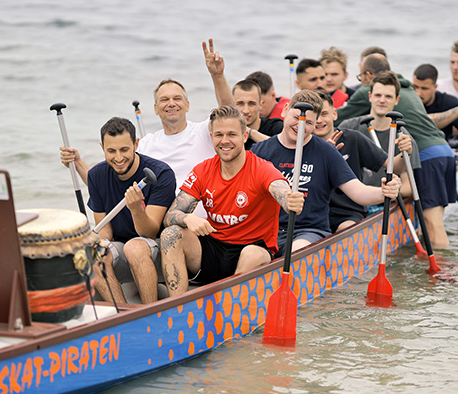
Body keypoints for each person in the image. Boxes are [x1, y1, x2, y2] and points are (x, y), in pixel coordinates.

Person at [60, 38, 233, 218]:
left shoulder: (204, 132)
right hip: (159, 223)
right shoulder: (145, 144)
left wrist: (217, 75)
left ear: (187, 105)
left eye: (177, 98)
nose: (171, 103)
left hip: (201, 221)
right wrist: (77, 162)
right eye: (164, 100)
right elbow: (104, 183)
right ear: (155, 109)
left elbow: (229, 115)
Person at [159, 106, 304, 296]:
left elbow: (281, 190)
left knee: (252, 254)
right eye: (219, 135)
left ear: (244, 136)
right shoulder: (203, 170)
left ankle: (230, 303)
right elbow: (170, 216)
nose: (225, 141)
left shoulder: (262, 169)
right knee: (170, 234)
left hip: (252, 249)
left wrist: (290, 200)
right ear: (211, 137)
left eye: (232, 134)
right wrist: (187, 219)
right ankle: (178, 305)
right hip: (213, 248)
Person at [252, 90, 401, 251]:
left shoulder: (326, 151)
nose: (300, 126)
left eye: (308, 122)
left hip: (308, 231)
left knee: (297, 249)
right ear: (285, 110)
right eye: (296, 118)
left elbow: (358, 192)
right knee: (250, 255)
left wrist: (383, 192)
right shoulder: (259, 151)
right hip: (267, 230)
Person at [335, 60, 456, 249]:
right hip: (351, 206)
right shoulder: (349, 127)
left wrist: (389, 192)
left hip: (382, 205)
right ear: (369, 96)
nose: (382, 100)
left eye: (388, 96)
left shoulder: (404, 139)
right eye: (378, 95)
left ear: (397, 100)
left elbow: (409, 187)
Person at [86, 117, 176, 304]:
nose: (118, 158)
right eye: (111, 151)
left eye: (124, 150)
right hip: (122, 247)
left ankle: (150, 312)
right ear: (102, 148)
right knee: (94, 253)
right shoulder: (95, 175)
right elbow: (105, 232)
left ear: (136, 144)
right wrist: (91, 240)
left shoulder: (161, 174)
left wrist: (136, 209)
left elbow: (149, 232)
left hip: (158, 250)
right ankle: (122, 313)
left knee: (135, 247)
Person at [314, 90, 412, 232]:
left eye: (324, 114)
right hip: (313, 213)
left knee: (346, 230)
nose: (319, 120)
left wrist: (405, 153)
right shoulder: (301, 144)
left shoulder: (353, 138)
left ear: (334, 114)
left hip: (347, 213)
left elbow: (394, 167)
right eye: (315, 116)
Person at [412, 63, 458, 156]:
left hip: (439, 154)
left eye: (424, 88)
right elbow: (423, 122)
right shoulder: (408, 101)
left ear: (435, 87)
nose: (418, 93)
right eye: (415, 87)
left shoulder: (449, 103)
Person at [232, 79, 283, 150]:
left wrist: (250, 132)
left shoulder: (276, 127)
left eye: (251, 104)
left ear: (260, 105)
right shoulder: (228, 132)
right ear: (233, 106)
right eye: (240, 104)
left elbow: (281, 150)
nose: (246, 110)